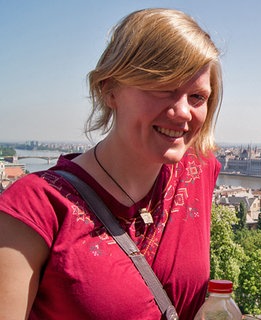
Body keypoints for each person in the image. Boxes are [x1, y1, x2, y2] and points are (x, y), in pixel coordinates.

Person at [0, 8, 222, 319]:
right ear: (109, 89)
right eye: (163, 88)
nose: (184, 112)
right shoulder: (33, 208)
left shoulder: (199, 169)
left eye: (197, 97)